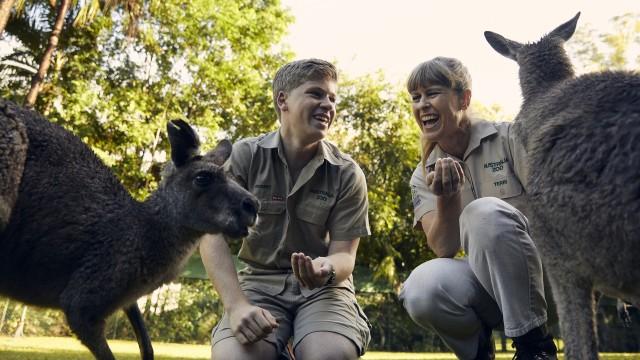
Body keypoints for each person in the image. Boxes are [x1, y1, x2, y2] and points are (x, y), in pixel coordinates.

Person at [199, 58, 372, 360]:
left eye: (332, 97)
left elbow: (345, 255)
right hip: (258, 284)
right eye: (316, 94)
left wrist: (325, 268)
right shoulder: (246, 156)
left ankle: (296, 343)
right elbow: (210, 236)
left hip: (324, 290)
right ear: (283, 101)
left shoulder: (347, 172)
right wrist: (237, 305)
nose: (328, 105)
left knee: (328, 355)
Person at [398, 57, 558, 360]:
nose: (422, 105)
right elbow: (443, 248)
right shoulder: (423, 174)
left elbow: (555, 210)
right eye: (415, 98)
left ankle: (535, 348)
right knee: (420, 288)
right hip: (490, 292)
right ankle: (478, 353)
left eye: (432, 93)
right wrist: (447, 198)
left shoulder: (511, 138)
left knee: (482, 212)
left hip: (544, 283)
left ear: (463, 98)